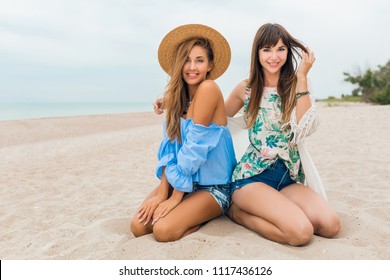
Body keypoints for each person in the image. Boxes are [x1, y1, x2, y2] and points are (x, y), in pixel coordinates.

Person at [225, 23, 340, 246]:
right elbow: (215, 120)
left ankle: (278, 207)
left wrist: (302, 78)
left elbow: (303, 129)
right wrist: (176, 104)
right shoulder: (246, 88)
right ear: (257, 53)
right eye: (267, 49)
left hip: (288, 178)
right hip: (252, 178)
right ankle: (237, 213)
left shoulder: (297, 85)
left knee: (331, 225)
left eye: (280, 49)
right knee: (301, 233)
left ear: (288, 52)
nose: (274, 56)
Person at [130, 24, 237, 242]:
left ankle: (201, 218)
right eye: (187, 60)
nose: (192, 66)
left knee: (163, 230)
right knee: (138, 227)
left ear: (210, 65)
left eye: (199, 60)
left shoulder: (209, 89)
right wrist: (162, 193)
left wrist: (174, 198)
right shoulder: (179, 100)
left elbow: (192, 151)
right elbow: (170, 150)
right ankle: (185, 211)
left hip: (213, 187)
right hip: (184, 180)